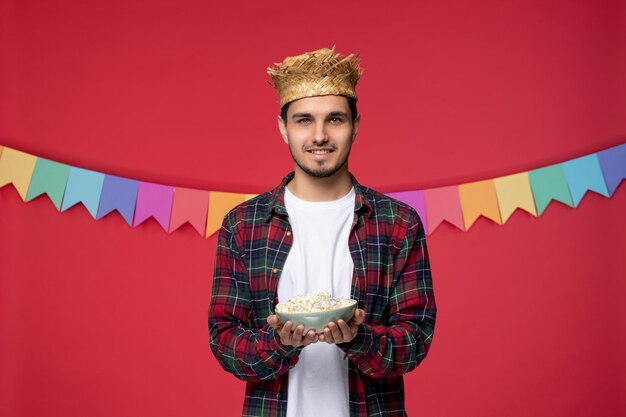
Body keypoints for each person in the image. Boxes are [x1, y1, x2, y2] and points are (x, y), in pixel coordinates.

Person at [208, 46, 436, 417]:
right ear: (283, 128)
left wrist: (359, 338)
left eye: (334, 119)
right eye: (303, 120)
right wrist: (278, 342)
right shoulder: (243, 225)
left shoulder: (398, 223)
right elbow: (224, 339)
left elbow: (416, 339)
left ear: (356, 125)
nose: (319, 135)